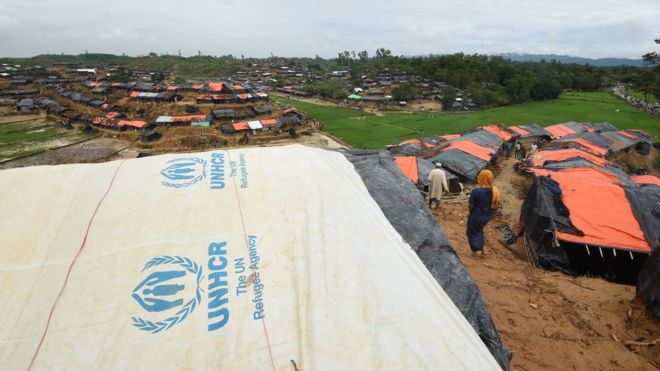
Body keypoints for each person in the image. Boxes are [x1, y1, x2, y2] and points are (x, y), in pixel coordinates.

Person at [466, 170, 500, 256]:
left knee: (471, 233)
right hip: (486, 217)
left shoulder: (476, 191)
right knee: (479, 230)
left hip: (476, 216)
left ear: (481, 178)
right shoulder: (495, 191)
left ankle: (475, 252)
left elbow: (470, 205)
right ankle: (483, 250)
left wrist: (471, 213)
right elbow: (496, 206)